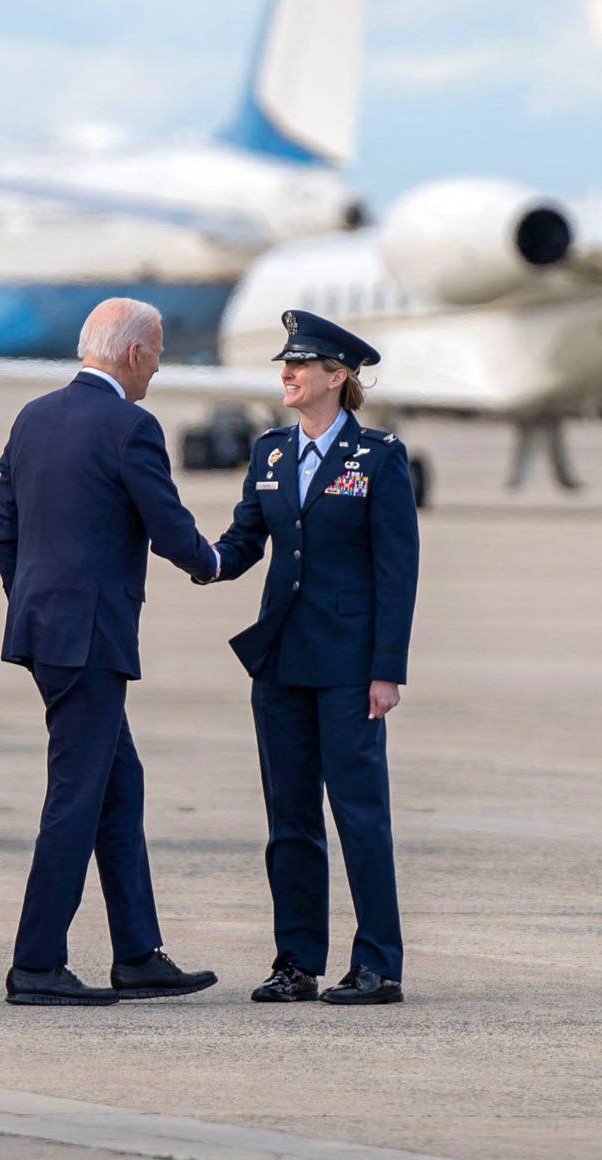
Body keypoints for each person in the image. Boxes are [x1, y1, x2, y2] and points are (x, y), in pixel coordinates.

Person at [0, 297, 220, 1006]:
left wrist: (37, 606)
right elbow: (167, 525)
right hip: (88, 638)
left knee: (121, 786)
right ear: (135, 355)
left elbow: (4, 535)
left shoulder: (34, 417)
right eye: (157, 354)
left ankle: (139, 953)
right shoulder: (130, 426)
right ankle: (35, 965)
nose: (158, 367)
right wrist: (213, 561)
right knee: (78, 795)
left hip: (46, 635)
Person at [209, 310, 419, 1005]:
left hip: (349, 666)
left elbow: (398, 570)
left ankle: (378, 964)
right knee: (289, 818)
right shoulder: (270, 452)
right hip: (281, 662)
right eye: (284, 364)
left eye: (302, 365)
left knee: (359, 813)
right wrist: (189, 550)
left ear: (338, 376)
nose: (287, 374)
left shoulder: (379, 457)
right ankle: (296, 961)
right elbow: (242, 543)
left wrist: (387, 669)